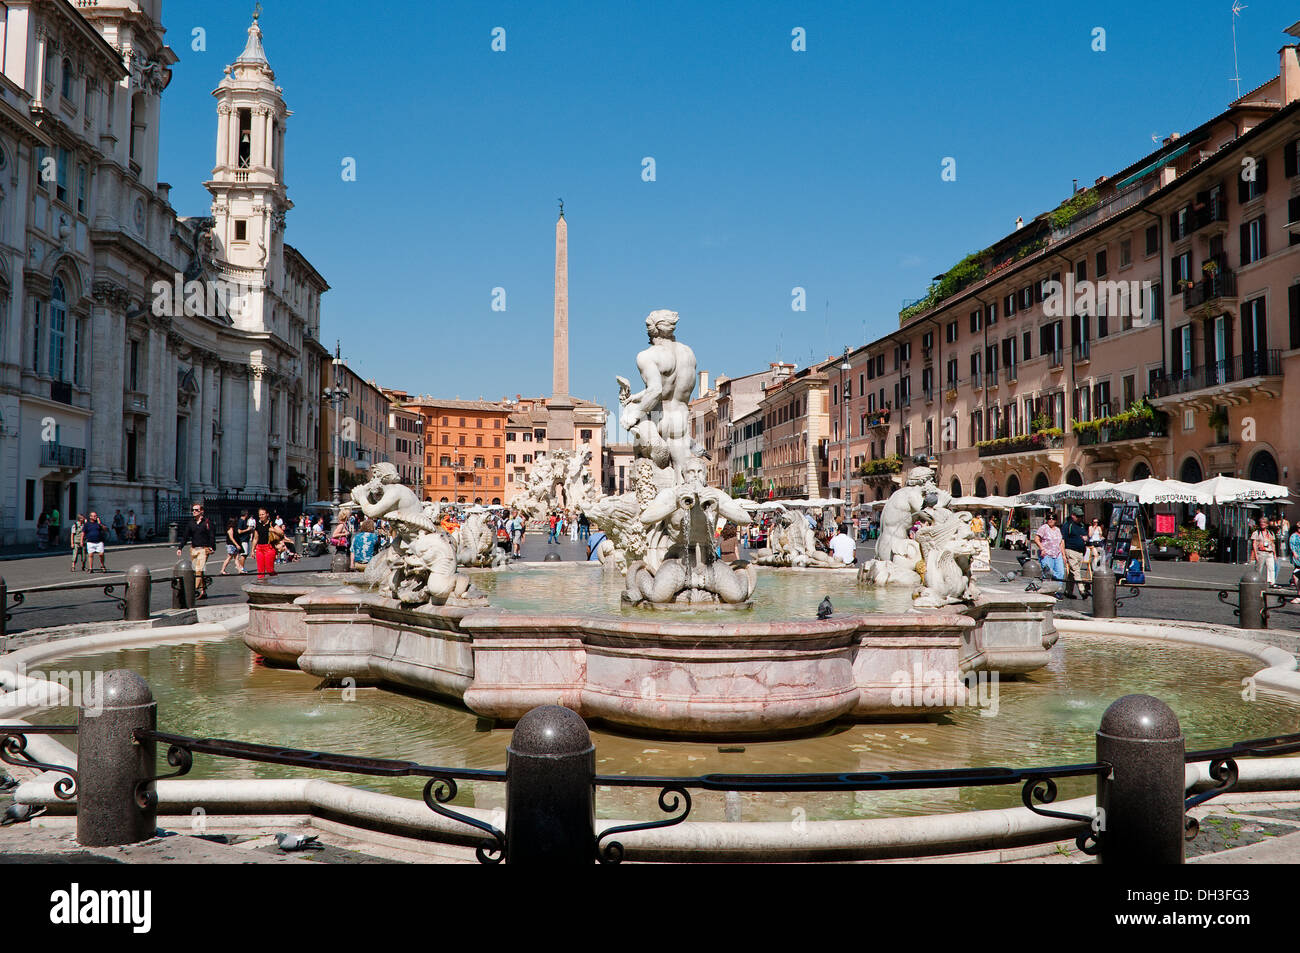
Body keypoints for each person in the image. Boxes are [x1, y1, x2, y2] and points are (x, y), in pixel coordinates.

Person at [177, 502, 217, 599]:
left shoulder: (207, 522)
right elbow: (185, 536)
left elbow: (212, 535)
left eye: (196, 510)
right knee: (198, 571)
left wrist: (212, 547)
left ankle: (192, 590)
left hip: (204, 549)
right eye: (193, 510)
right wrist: (180, 547)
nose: (194, 512)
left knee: (199, 570)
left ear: (201, 511)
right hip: (194, 549)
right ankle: (203, 591)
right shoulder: (191, 523)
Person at [1062, 508, 1091, 599]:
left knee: (1072, 573)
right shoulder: (1068, 525)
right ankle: (1082, 590)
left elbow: (1086, 536)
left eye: (1081, 516)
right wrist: (1063, 553)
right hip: (1071, 550)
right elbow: (1062, 540)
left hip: (1080, 552)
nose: (1080, 518)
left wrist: (1086, 538)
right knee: (1076, 571)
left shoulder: (1082, 525)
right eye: (1078, 516)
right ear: (1073, 515)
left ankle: (1068, 591)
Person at [1034, 514, 1066, 585]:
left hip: (1057, 554)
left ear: (1056, 520)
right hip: (1047, 554)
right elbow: (1036, 539)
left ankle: (1057, 589)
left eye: (1053, 518)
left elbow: (1061, 543)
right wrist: (1042, 549)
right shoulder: (1044, 528)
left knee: (1060, 573)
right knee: (1048, 573)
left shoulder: (1058, 529)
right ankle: (1048, 589)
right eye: (1049, 518)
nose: (1051, 520)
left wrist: (1063, 555)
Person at [252, 507, 278, 582]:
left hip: (269, 548)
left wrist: (273, 530)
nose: (261, 516)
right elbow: (255, 538)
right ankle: (261, 584)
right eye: (259, 515)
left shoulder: (272, 523)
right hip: (259, 548)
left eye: (262, 514)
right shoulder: (258, 524)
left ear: (267, 514)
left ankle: (276, 580)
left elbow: (281, 533)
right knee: (260, 570)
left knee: (269, 569)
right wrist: (253, 550)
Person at [1251, 516, 1278, 586]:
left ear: (1267, 524)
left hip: (1269, 552)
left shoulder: (1271, 533)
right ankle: (1257, 581)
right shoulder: (1257, 533)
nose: (1262, 524)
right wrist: (1255, 554)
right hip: (1261, 552)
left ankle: (1272, 582)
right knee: (1259, 568)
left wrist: (1274, 554)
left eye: (1264, 523)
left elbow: (1273, 544)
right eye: (1261, 523)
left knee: (1271, 568)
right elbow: (1254, 543)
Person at [1289, 523, 1300, 603]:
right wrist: (1294, 553)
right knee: (1296, 576)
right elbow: (1292, 546)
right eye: (1299, 527)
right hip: (1298, 559)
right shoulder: (1294, 536)